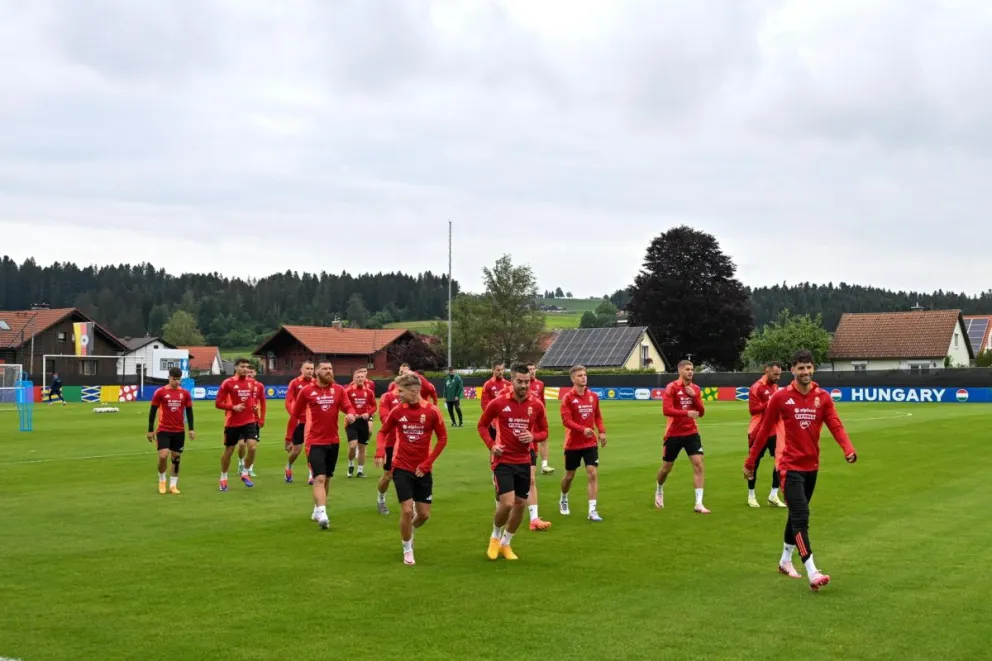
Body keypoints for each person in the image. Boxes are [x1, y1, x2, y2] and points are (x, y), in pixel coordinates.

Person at [744, 350, 858, 591]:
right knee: (801, 516)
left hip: (811, 466)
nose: (805, 372)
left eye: (808, 368)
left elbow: (835, 424)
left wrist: (847, 448)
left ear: (813, 369)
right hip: (788, 466)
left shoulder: (823, 397)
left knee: (795, 515)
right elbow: (764, 431)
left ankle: (785, 561)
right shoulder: (781, 398)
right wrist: (750, 462)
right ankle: (812, 570)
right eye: (800, 368)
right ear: (792, 370)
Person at [375, 373, 448, 565]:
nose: (397, 394)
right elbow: (383, 432)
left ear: (414, 391)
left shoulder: (432, 411)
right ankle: (407, 549)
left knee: (423, 514)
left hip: (423, 469)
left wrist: (428, 463)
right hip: (402, 467)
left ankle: (409, 529)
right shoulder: (398, 411)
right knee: (407, 511)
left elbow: (442, 439)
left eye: (400, 391)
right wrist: (380, 450)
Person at [477, 364, 549, 561]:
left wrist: (532, 436)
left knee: (520, 504)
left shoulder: (536, 405)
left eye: (527, 382)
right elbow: (482, 425)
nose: (524, 385)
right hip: (503, 460)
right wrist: (491, 445)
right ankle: (494, 536)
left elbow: (544, 432)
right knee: (507, 503)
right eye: (520, 381)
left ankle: (506, 543)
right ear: (512, 381)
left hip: (524, 460)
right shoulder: (499, 403)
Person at [291, 361, 357, 529]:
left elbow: (348, 407)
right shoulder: (307, 391)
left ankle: (317, 509)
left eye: (330, 369)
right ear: (317, 372)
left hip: (333, 441)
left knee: (326, 478)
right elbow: (296, 412)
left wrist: (351, 414)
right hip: (314, 441)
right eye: (325, 369)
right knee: (318, 477)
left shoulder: (339, 390)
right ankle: (322, 513)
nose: (329, 371)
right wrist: (295, 433)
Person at [655, 360, 710, 513]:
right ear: (680, 371)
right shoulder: (671, 387)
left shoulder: (696, 389)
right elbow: (666, 410)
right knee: (666, 468)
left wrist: (695, 398)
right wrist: (686, 412)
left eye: (692, 369)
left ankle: (699, 503)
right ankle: (659, 489)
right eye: (687, 369)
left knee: (699, 464)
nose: (690, 372)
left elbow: (702, 412)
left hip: (691, 432)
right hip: (673, 433)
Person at [558, 365, 606, 521]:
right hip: (572, 444)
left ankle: (592, 511)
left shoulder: (593, 396)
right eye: (579, 375)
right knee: (569, 476)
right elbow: (566, 420)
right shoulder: (568, 398)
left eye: (584, 375)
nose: (583, 377)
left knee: (592, 473)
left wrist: (602, 431)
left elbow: (597, 416)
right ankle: (564, 498)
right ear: (573, 379)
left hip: (590, 442)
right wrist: (581, 429)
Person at [147, 367, 194, 495]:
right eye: (174, 379)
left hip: (179, 430)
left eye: (179, 379)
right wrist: (150, 430)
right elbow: (152, 411)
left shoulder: (185, 393)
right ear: (169, 378)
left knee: (176, 458)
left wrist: (191, 428)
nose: (177, 382)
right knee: (163, 456)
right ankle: (162, 480)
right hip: (163, 429)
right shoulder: (160, 392)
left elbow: (189, 411)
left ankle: (173, 485)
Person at [215, 358, 259, 490]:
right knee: (229, 450)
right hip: (232, 422)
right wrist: (233, 407)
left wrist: (255, 410)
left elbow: (250, 400)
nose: (245, 369)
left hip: (249, 421)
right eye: (242, 366)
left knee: (252, 447)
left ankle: (245, 473)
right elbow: (218, 403)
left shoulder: (251, 383)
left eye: (247, 367)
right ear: (235, 368)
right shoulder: (228, 383)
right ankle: (223, 477)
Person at [747, 361, 787, 508]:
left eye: (779, 374)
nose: (778, 377)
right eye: (775, 374)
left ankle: (773, 495)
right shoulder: (756, 387)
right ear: (767, 371)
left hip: (774, 430)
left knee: (780, 462)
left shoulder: (775, 386)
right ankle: (751, 495)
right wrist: (770, 403)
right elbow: (753, 410)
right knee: (754, 464)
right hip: (758, 430)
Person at [284, 361, 315, 484]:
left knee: (312, 449)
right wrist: (294, 415)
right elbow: (288, 401)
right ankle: (288, 466)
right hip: (300, 421)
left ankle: (312, 475)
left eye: (312, 369)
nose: (310, 371)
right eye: (307, 368)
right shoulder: (295, 383)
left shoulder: (316, 383)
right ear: (301, 370)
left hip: (313, 422)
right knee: (296, 451)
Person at [375, 386, 402, 514]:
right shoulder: (388, 396)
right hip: (391, 443)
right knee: (388, 476)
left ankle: (412, 505)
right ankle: (381, 499)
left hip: (410, 444)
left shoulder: (415, 397)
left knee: (413, 475)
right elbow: (384, 418)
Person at [345, 368, 377, 478]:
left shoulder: (369, 392)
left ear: (365, 378)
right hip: (352, 422)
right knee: (353, 445)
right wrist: (351, 413)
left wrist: (368, 414)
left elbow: (374, 406)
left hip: (364, 421)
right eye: (358, 377)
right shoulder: (348, 391)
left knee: (362, 447)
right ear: (353, 379)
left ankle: (360, 470)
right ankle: (350, 464)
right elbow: (343, 405)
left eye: (362, 377)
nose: (360, 378)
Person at [236, 366, 266, 477]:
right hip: (239, 419)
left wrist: (261, 418)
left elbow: (263, 403)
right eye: (247, 371)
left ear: (255, 373)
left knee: (252, 446)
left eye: (251, 372)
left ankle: (249, 468)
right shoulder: (239, 384)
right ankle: (240, 462)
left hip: (253, 420)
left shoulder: (259, 386)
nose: (249, 373)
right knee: (241, 445)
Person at [480, 362, 508, 442]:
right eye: (498, 370)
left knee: (507, 446)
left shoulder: (508, 384)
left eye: (502, 369)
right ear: (493, 370)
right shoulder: (488, 384)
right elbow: (484, 404)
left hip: (505, 421)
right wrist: (491, 420)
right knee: (494, 448)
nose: (501, 372)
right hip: (493, 422)